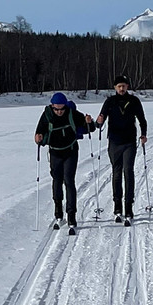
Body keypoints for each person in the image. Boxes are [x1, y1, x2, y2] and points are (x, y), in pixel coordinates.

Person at [34, 92, 94, 228]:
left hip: (70, 151)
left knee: (69, 181)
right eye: (56, 109)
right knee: (57, 181)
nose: (59, 112)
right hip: (55, 153)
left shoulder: (72, 113)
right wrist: (38, 138)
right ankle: (58, 213)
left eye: (62, 109)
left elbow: (90, 128)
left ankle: (71, 216)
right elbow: (39, 132)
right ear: (52, 106)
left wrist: (89, 122)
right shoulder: (47, 115)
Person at [95, 75, 148, 221]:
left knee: (128, 172)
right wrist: (98, 122)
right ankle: (117, 205)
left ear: (127, 87)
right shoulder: (110, 101)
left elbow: (142, 120)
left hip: (129, 141)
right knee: (116, 173)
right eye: (119, 86)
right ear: (115, 88)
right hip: (114, 142)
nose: (121, 88)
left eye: (124, 86)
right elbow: (100, 122)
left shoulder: (134, 101)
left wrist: (143, 134)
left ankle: (128, 206)